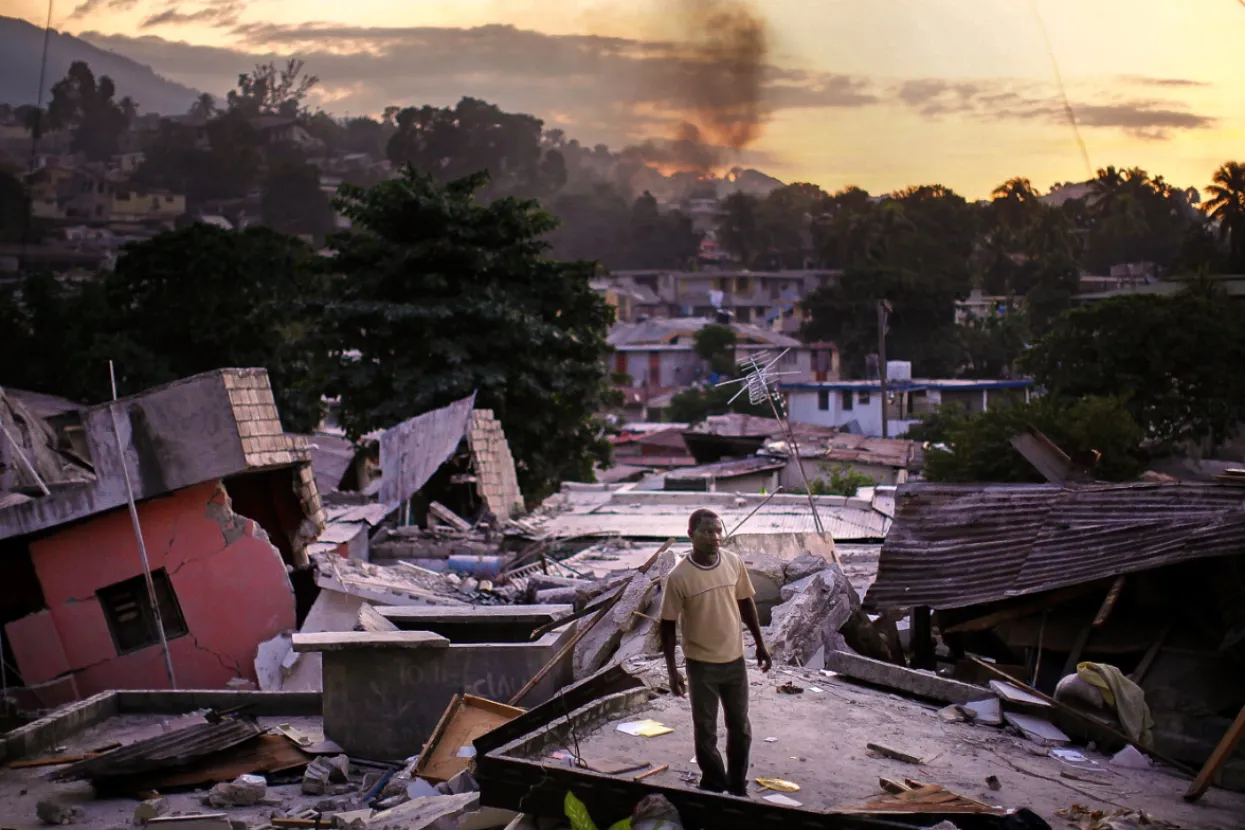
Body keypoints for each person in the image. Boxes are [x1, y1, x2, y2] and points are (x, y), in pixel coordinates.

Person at [659, 508, 772, 797]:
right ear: (691, 535)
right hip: (701, 666)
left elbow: (746, 604)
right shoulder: (679, 576)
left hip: (735, 661)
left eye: (718, 531)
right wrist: (673, 672)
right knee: (706, 733)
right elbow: (668, 626)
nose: (715, 537)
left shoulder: (733, 563)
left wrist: (760, 644)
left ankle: (736, 786)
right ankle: (715, 784)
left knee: (741, 729)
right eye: (707, 531)